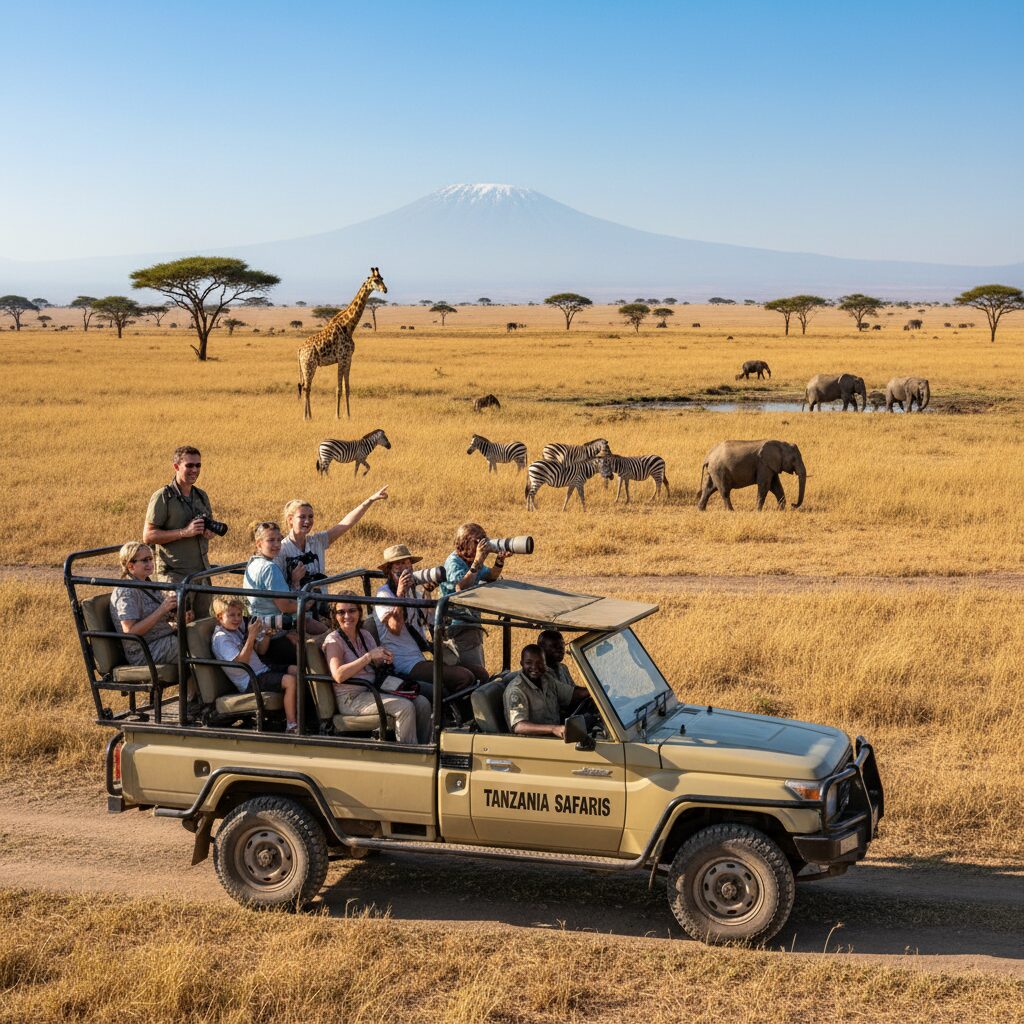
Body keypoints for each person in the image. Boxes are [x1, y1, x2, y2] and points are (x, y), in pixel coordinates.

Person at [323, 594, 432, 744]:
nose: (347, 616)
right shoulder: (334, 640)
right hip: (352, 698)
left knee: (422, 703)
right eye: (341, 612)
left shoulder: (365, 634)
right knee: (404, 707)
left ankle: (425, 748)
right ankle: (409, 752)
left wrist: (384, 658)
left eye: (352, 611)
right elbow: (338, 675)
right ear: (335, 616)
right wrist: (368, 657)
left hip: (374, 688)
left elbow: (377, 662)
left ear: (359, 612)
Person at [375, 544, 477, 701]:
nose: (404, 568)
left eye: (407, 562)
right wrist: (400, 594)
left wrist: (428, 593)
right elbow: (395, 628)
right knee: (464, 677)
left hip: (420, 657)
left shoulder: (414, 592)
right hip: (403, 662)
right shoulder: (383, 594)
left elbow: (435, 623)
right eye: (398, 564)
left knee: (480, 673)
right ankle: (449, 712)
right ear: (389, 570)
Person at [143, 445, 218, 618]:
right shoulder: (163, 496)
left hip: (201, 573)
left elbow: (209, 528)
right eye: (189, 465)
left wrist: (209, 532)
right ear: (176, 466)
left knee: (203, 625)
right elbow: (148, 536)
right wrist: (184, 532)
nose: (195, 470)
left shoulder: (201, 496)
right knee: (179, 623)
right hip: (174, 574)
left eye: (198, 465)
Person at [210, 594, 300, 734]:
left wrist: (267, 635)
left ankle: (304, 714)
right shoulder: (222, 639)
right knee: (290, 681)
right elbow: (242, 662)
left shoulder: (237, 629)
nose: (237, 619)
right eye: (232, 615)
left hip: (262, 670)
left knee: (297, 670)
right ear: (220, 617)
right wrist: (251, 636)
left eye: (239, 614)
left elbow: (261, 650)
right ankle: (291, 725)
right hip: (249, 680)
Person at [244, 521, 327, 663]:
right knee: (326, 640)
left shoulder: (252, 563)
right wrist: (305, 605)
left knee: (311, 624)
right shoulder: (270, 568)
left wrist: (295, 583)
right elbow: (285, 606)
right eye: (271, 540)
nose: (277, 544)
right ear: (259, 544)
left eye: (279, 540)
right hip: (273, 632)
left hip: (260, 627)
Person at [439, 523, 512, 680]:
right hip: (457, 629)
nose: (482, 545)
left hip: (471, 625)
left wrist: (499, 560)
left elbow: (490, 576)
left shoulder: (471, 560)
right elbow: (461, 587)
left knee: (478, 670)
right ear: (464, 542)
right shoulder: (454, 562)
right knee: (476, 675)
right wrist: (478, 560)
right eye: (477, 541)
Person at [278, 488, 389, 590]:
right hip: (297, 604)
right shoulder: (282, 549)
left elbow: (346, 524)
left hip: (322, 603)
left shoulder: (317, 541)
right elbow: (276, 589)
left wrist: (370, 500)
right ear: (290, 519)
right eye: (302, 517)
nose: (307, 521)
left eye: (310, 516)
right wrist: (295, 581)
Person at [110, 541, 181, 666]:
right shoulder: (126, 592)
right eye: (144, 560)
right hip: (144, 650)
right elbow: (130, 631)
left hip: (163, 639)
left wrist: (178, 617)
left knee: (197, 636)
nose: (150, 563)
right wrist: (162, 610)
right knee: (191, 646)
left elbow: (161, 619)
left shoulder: (148, 584)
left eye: (150, 559)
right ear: (131, 566)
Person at [503, 644, 589, 738]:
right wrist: (553, 729)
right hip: (536, 741)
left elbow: (571, 694)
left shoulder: (547, 679)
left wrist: (593, 691)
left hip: (557, 735)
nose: (534, 667)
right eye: (529, 663)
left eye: (539, 663)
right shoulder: (516, 690)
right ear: (521, 663)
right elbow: (519, 726)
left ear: (545, 663)